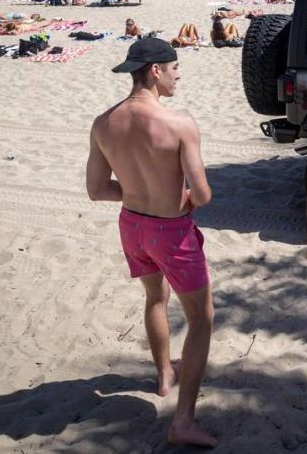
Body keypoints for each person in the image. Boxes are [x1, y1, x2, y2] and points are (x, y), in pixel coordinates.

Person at [86, 38, 215, 447]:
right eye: (175, 67)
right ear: (155, 71)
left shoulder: (104, 122)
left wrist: (139, 192)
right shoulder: (178, 123)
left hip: (132, 226)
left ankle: (164, 374)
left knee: (154, 299)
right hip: (170, 231)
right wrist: (175, 198)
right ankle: (184, 422)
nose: (179, 75)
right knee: (200, 317)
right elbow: (203, 193)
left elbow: (97, 189)